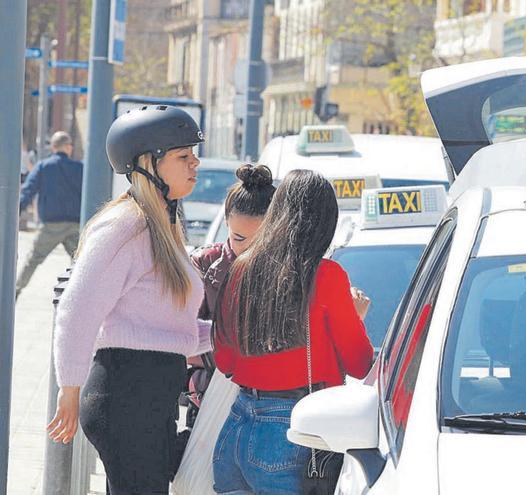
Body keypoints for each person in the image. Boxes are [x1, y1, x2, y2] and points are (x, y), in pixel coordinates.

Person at [47, 105, 210, 494]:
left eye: (194, 154)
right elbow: (77, 307)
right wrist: (68, 390)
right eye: (183, 156)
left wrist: (224, 334)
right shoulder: (127, 226)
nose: (195, 163)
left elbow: (165, 327)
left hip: (148, 397)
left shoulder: (161, 226)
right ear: (148, 163)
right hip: (126, 397)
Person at [212, 169, 373, 494]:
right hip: (293, 431)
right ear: (325, 222)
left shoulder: (241, 269)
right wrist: (357, 317)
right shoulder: (326, 276)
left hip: (236, 428)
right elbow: (360, 365)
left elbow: (225, 362)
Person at [183, 164, 276, 426]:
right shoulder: (203, 264)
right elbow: (179, 340)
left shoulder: (287, 271)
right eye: (238, 238)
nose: (248, 249)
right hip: (207, 405)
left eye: (261, 240)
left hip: (270, 407)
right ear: (226, 222)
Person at [16, 131, 82, 297]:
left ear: (53, 147)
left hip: (51, 225)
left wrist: (18, 210)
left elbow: (28, 190)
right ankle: (76, 295)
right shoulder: (80, 168)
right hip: (76, 225)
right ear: (69, 148)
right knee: (80, 262)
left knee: (33, 259)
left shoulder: (43, 166)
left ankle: (16, 291)